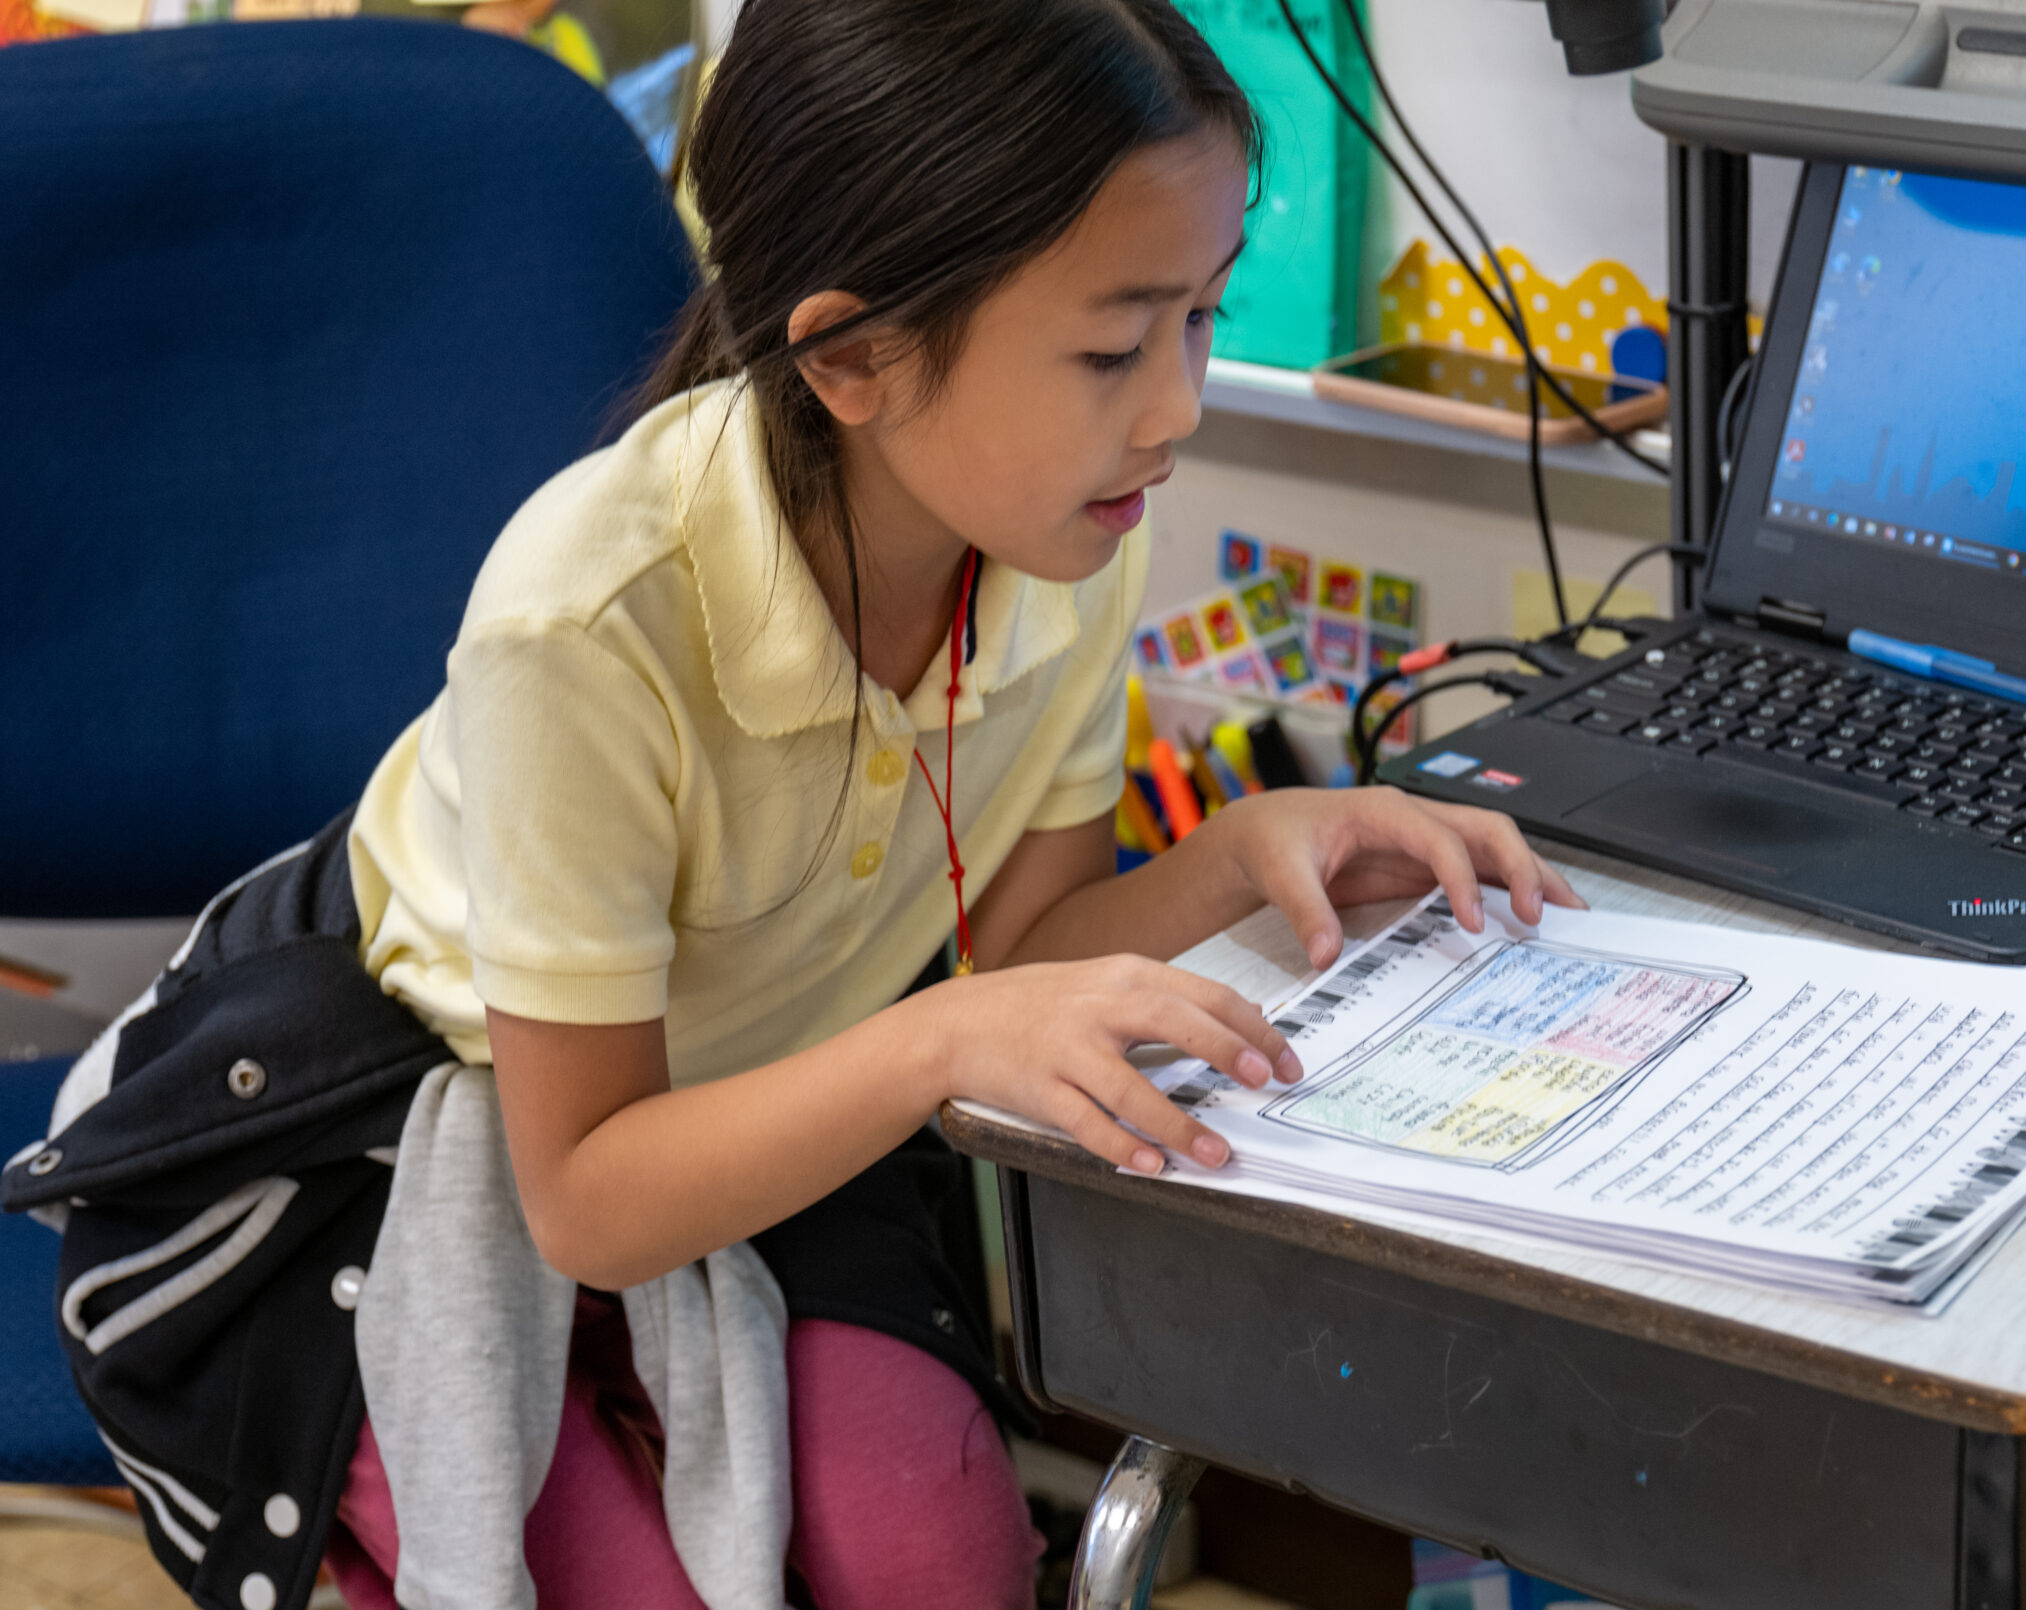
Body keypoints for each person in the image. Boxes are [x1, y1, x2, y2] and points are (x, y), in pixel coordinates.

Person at [13, 2, 1584, 1607]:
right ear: (850, 356)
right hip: (427, 1119)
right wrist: (934, 1045)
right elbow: (592, 1197)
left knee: (936, 1552)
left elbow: (1019, 948)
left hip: (774, 1079)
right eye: (1115, 345)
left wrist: (1239, 857)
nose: (1177, 405)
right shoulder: (587, 619)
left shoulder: (1068, 531)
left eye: (1202, 315)